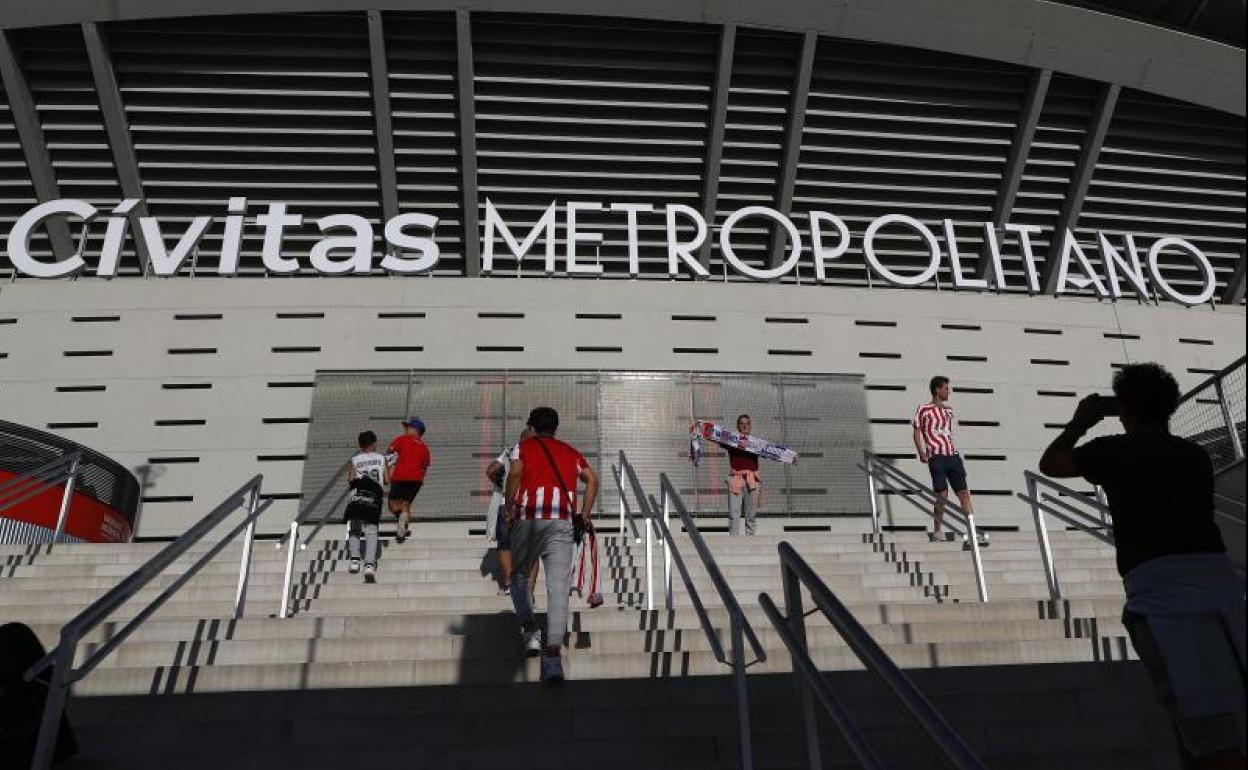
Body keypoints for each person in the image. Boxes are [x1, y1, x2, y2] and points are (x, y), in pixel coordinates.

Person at [1039, 362, 1245, 770]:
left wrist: (1081, 421)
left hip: (1162, 599)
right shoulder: (1194, 456)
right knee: (1224, 713)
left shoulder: (1114, 450)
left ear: (1126, 408)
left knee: (1196, 718)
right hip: (1222, 589)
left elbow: (1052, 463)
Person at [504, 406, 599, 683]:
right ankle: (553, 656)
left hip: (529, 518)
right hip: (562, 521)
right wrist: (585, 512)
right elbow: (592, 480)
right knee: (558, 587)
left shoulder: (523, 448)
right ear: (556, 428)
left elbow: (516, 473)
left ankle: (529, 629)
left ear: (532, 427)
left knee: (519, 576)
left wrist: (509, 506)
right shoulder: (571, 452)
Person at [912, 376, 980, 547]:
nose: (948, 391)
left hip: (953, 456)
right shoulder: (924, 409)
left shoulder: (949, 411)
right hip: (936, 456)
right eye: (946, 388)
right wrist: (921, 452)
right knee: (942, 495)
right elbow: (917, 431)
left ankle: (971, 531)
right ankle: (937, 530)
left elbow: (947, 433)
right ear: (937, 390)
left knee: (964, 493)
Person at [485, 426, 535, 594]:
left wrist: (499, 484)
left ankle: (508, 581)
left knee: (504, 544)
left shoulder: (510, 451)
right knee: (529, 545)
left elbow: (491, 470)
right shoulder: (538, 452)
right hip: (529, 505)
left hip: (506, 503)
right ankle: (526, 587)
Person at [346, 430, 387, 582]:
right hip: (374, 497)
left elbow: (350, 479)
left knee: (355, 527)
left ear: (360, 445)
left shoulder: (354, 459)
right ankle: (369, 564)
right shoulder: (381, 458)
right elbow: (387, 479)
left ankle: (355, 560)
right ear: (374, 443)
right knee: (371, 530)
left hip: (357, 495)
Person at [387, 418, 430, 543]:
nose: (405, 429)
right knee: (406, 504)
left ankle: (400, 515)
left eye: (408, 427)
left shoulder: (402, 439)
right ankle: (402, 529)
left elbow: (390, 451)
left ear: (416, 430)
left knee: (392, 503)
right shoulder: (425, 448)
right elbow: (424, 468)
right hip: (416, 479)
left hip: (401, 476)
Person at [726, 414, 761, 536]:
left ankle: (750, 540)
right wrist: (700, 429)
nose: (745, 425)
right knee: (734, 513)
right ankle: (734, 540)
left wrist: (790, 456)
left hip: (752, 479)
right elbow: (715, 436)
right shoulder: (731, 441)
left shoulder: (757, 444)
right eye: (742, 423)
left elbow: (775, 452)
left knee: (751, 514)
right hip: (736, 478)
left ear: (750, 426)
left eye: (747, 423)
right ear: (738, 426)